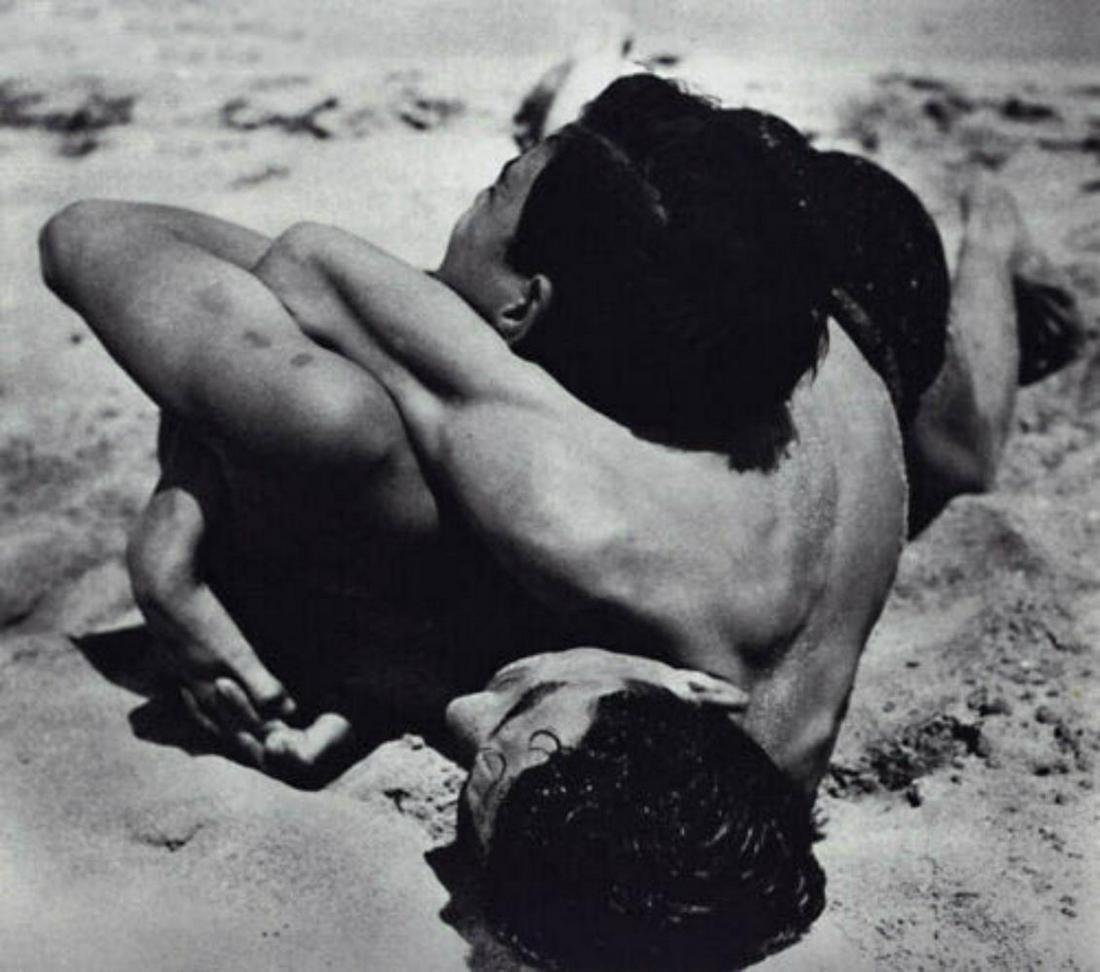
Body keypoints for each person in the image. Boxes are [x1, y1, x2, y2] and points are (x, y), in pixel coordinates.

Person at [40, 70, 1080, 969]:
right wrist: (180, 512)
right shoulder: (592, 521)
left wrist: (393, 695)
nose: (465, 714)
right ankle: (981, 227)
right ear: (691, 690)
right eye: (517, 707)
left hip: (832, 381)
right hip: (840, 245)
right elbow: (307, 265)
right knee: (948, 447)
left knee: (957, 454)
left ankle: (970, 238)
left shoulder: (707, 825)